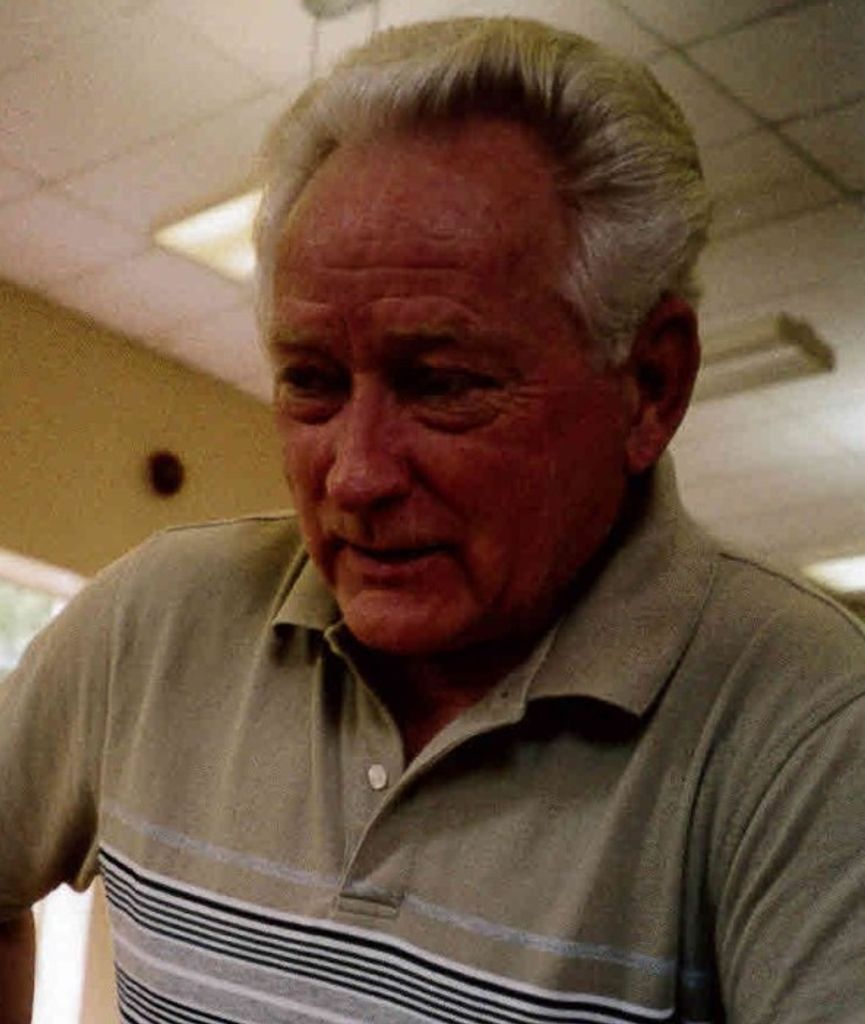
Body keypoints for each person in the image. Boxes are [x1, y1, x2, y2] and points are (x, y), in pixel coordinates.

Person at [1, 16, 863, 1024]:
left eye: (443, 385)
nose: (355, 475)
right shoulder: (153, 621)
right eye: (311, 383)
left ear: (649, 386)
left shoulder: (809, 726)